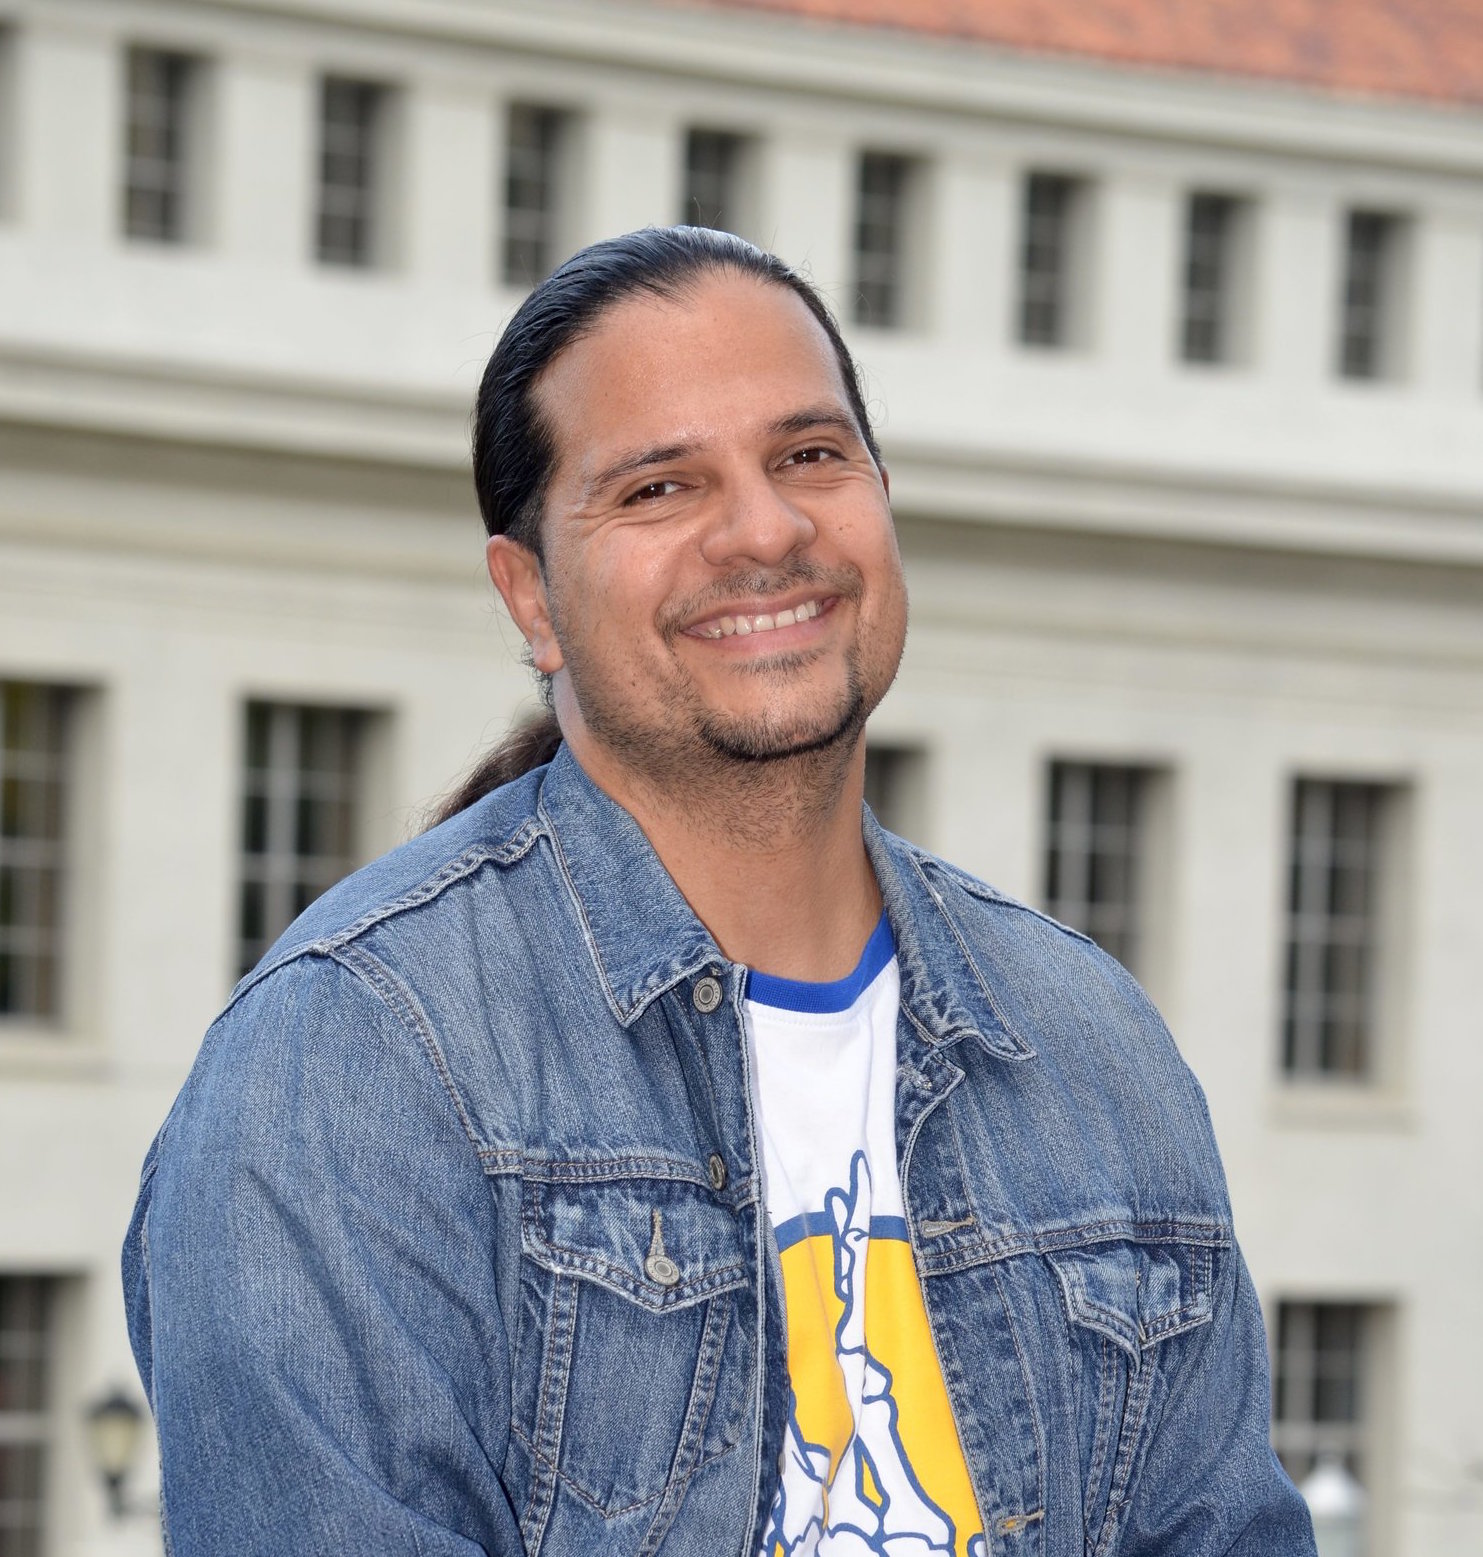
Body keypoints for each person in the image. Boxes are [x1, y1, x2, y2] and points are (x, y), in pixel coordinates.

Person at [124, 226, 1316, 1557]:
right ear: (532, 599)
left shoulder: (1093, 1051)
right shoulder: (352, 1065)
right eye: (657, 489)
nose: (764, 529)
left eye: (811, 456)